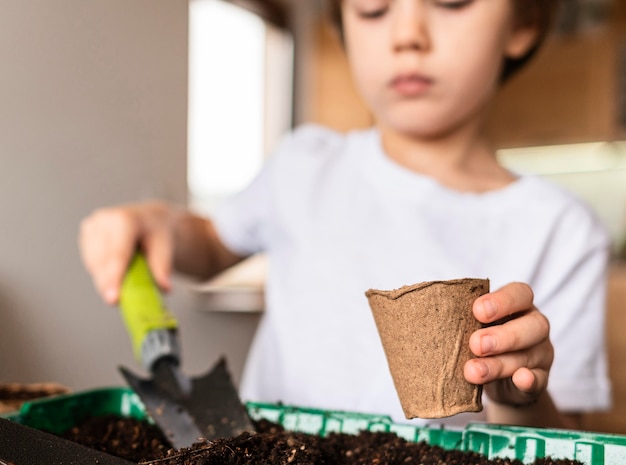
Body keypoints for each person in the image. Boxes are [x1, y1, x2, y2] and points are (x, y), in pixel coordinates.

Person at [79, 0, 611, 430]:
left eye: (451, 2)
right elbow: (211, 243)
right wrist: (160, 224)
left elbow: (566, 447)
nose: (407, 34)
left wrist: (517, 398)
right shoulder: (305, 164)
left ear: (521, 23)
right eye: (374, 10)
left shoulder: (560, 230)